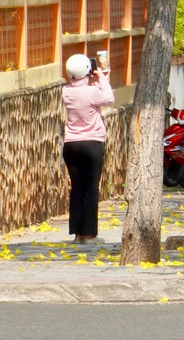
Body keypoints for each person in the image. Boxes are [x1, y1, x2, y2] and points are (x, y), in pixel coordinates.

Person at [61, 51, 112, 244]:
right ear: (88, 71)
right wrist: (103, 78)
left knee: (77, 188)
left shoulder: (67, 92)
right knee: (91, 188)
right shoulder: (92, 92)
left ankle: (77, 235)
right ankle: (90, 235)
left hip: (71, 145)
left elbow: (97, 95)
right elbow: (108, 98)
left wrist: (97, 79)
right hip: (91, 144)